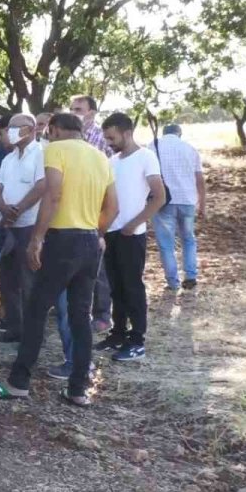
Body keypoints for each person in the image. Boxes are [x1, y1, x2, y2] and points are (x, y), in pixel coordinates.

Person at [0, 113, 117, 406]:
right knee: (81, 316)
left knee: (36, 309)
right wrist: (96, 232)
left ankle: (19, 381)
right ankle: (78, 388)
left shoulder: (54, 150)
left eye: (48, 131)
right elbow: (113, 207)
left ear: (54, 130)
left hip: (61, 238)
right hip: (90, 239)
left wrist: (38, 237)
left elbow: (53, 197)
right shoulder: (101, 157)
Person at [97, 113, 165, 362]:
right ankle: (118, 334)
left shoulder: (146, 157)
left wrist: (134, 223)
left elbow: (159, 196)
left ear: (127, 133)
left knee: (132, 287)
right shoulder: (112, 161)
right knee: (115, 287)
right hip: (111, 232)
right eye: (106, 138)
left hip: (131, 234)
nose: (108, 142)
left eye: (112, 137)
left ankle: (137, 340)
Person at [0, 113, 45, 345]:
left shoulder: (41, 154)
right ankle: (14, 327)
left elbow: (42, 186)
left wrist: (19, 209)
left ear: (30, 129)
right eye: (9, 128)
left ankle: (33, 333)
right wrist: (3, 208)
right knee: (8, 279)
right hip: (7, 226)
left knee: (29, 280)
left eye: (15, 127)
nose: (10, 132)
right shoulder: (9, 158)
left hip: (28, 225)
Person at [69, 94, 114, 334]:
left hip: (95, 211)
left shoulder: (102, 140)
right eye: (72, 108)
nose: (75, 112)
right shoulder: (66, 141)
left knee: (98, 267)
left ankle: (102, 315)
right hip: (72, 211)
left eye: (79, 109)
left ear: (93, 113)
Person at [152, 124, 205, 290]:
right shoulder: (190, 149)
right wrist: (202, 203)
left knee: (166, 244)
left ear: (164, 133)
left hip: (163, 201)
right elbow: (199, 179)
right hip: (187, 200)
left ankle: (172, 282)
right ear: (179, 134)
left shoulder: (152, 147)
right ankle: (190, 276)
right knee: (188, 240)